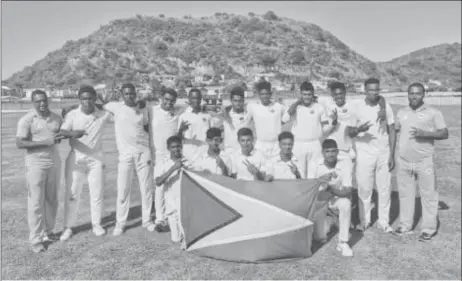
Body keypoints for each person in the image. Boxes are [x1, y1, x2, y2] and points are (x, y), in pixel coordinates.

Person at [394, 82, 448, 241]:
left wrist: (424, 133)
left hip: (424, 161)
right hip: (403, 161)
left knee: (429, 195)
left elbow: (444, 133)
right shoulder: (402, 112)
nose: (414, 96)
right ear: (408, 94)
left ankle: (428, 229)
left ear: (424, 94)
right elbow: (395, 129)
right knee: (405, 195)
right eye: (411, 93)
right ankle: (405, 225)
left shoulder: (433, 112)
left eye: (417, 93)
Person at [100, 83, 155, 235]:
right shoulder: (115, 107)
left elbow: (145, 127)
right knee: (123, 190)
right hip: (125, 155)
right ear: (122, 95)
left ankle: (147, 220)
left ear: (135, 94)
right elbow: (98, 105)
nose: (129, 96)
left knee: (147, 189)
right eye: (126, 94)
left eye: (132, 93)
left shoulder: (142, 108)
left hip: (143, 153)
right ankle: (120, 223)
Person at [59, 86, 112, 241]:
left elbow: (119, 112)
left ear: (95, 98)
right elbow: (62, 132)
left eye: (90, 98)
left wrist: (105, 102)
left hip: (96, 158)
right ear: (79, 99)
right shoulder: (73, 114)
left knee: (97, 193)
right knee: (73, 194)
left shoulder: (103, 114)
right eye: (83, 98)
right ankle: (68, 227)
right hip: (76, 157)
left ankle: (96, 224)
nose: (87, 101)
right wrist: (73, 134)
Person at [16, 90, 63, 253]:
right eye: (38, 101)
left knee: (52, 199)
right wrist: (44, 142)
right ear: (32, 102)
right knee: (36, 202)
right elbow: (20, 143)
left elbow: (61, 134)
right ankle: (36, 239)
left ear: (48, 100)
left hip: (54, 162)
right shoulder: (26, 120)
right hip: (35, 164)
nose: (42, 104)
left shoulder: (57, 118)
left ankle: (49, 232)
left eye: (44, 100)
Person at [350, 78, 396, 233]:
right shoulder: (356, 107)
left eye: (376, 90)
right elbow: (349, 131)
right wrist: (359, 129)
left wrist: (392, 155)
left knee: (385, 189)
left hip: (384, 152)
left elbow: (392, 130)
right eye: (370, 90)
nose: (373, 93)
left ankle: (384, 222)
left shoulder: (385, 106)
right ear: (365, 90)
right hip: (364, 153)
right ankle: (365, 221)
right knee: (364, 188)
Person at [147, 87, 181, 232]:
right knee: (160, 188)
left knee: (174, 186)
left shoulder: (177, 112)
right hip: (158, 155)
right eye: (166, 99)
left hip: (172, 154)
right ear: (161, 98)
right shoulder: (152, 111)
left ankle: (173, 215)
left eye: (172, 101)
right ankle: (160, 219)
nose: (169, 103)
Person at [313, 139, 354, 257]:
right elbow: (309, 187)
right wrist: (321, 180)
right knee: (320, 238)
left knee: (345, 203)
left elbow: (347, 191)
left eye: (333, 151)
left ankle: (343, 242)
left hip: (335, 199)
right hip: (319, 200)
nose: (330, 154)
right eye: (327, 151)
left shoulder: (345, 163)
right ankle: (330, 220)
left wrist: (330, 188)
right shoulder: (315, 163)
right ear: (322, 152)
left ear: (337, 152)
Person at [282, 82, 331, 179]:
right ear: (300, 95)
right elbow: (284, 119)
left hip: (315, 144)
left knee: (314, 173)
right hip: (298, 144)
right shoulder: (295, 107)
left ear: (313, 94)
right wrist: (296, 103)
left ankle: (314, 194)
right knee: (299, 173)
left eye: (309, 94)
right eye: (304, 94)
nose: (307, 97)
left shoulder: (319, 107)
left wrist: (333, 123)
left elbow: (325, 127)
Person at [154, 136, 191, 244]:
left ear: (182, 146)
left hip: (185, 204)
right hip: (171, 205)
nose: (176, 149)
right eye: (173, 147)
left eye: (178, 146)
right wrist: (173, 168)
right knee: (176, 239)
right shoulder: (162, 163)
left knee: (187, 239)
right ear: (168, 148)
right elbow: (158, 182)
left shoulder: (188, 161)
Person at [246, 80, 286, 159]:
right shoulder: (253, 107)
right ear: (259, 95)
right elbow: (244, 121)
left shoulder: (278, 106)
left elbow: (288, 115)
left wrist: (279, 123)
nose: (265, 96)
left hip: (276, 145)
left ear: (270, 94)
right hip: (260, 145)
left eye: (267, 94)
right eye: (262, 94)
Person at [178, 88, 212, 163]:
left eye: (198, 98)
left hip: (205, 155)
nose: (196, 101)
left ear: (201, 99)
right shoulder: (183, 117)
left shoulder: (207, 116)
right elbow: (178, 139)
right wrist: (181, 130)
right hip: (189, 157)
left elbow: (211, 137)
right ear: (189, 99)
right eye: (193, 98)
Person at [220, 86, 252, 155]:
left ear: (243, 101)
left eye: (240, 101)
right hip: (229, 153)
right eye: (235, 101)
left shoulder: (248, 114)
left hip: (244, 153)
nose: (237, 103)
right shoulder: (225, 115)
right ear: (231, 101)